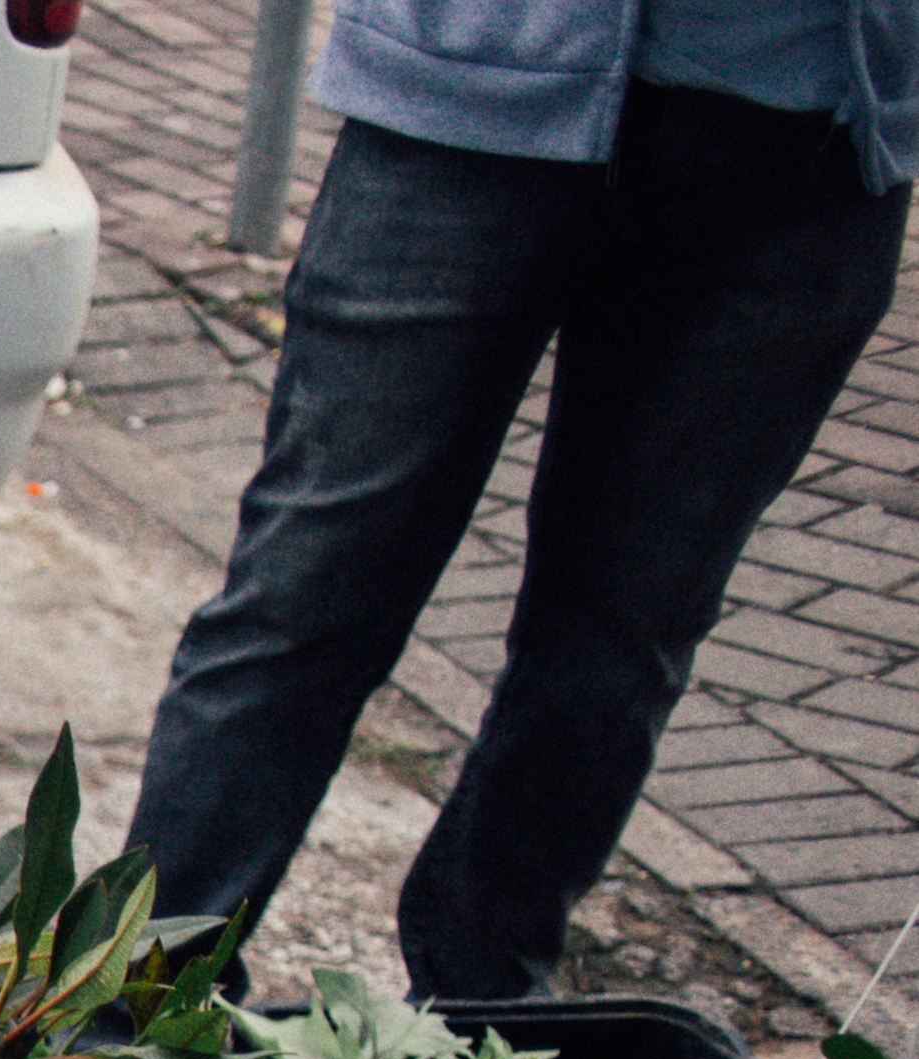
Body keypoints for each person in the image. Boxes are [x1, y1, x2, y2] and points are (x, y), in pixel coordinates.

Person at [125, 0, 913, 999]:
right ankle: (129, 1031)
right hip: (469, 92)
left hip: (810, 142)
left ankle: (479, 1038)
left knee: (618, 649)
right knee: (308, 593)